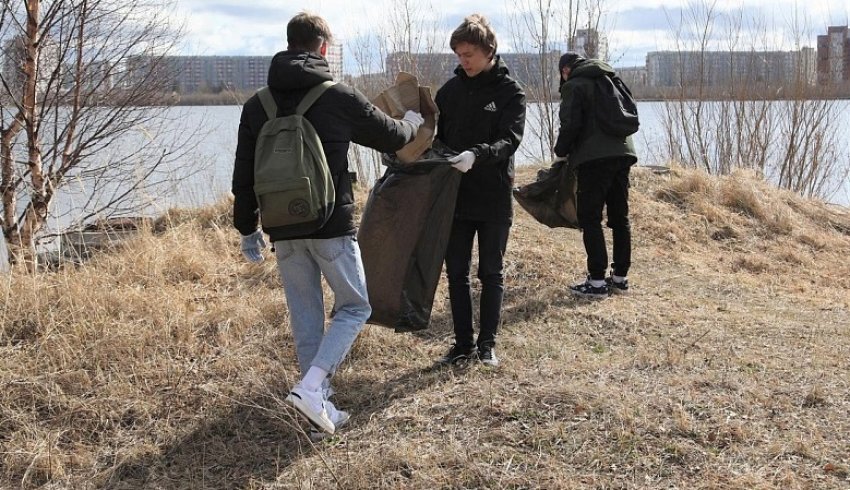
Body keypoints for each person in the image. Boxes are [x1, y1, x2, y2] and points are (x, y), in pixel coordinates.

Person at [231, 11, 422, 436]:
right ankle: (313, 388)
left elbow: (242, 174)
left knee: (306, 318)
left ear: (287, 43)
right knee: (355, 306)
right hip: (330, 222)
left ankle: (318, 410)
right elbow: (390, 135)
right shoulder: (337, 96)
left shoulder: (256, 104)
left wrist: (247, 228)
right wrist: (411, 124)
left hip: (282, 226)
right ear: (322, 47)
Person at [434, 14, 526, 367]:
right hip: (454, 195)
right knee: (456, 271)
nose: (463, 61)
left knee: (490, 271)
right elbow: (437, 137)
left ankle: (487, 344)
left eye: (469, 54)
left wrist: (478, 154)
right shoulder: (449, 91)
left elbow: (510, 140)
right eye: (458, 54)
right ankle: (462, 344)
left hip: (493, 194)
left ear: (489, 50)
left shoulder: (510, 92)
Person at [553, 52, 638, 299]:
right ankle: (620, 278)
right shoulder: (612, 79)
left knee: (590, 218)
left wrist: (560, 153)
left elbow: (570, 124)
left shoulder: (574, 85)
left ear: (565, 70)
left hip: (594, 159)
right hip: (624, 154)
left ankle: (597, 282)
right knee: (619, 217)